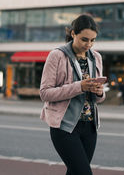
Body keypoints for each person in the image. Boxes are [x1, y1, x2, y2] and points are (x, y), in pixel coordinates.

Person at [40, 14, 106, 175]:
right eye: (84, 39)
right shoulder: (57, 55)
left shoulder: (96, 57)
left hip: (89, 127)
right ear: (72, 34)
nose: (88, 44)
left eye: (92, 40)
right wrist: (79, 87)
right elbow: (45, 93)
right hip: (65, 127)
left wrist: (99, 92)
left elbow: (98, 98)